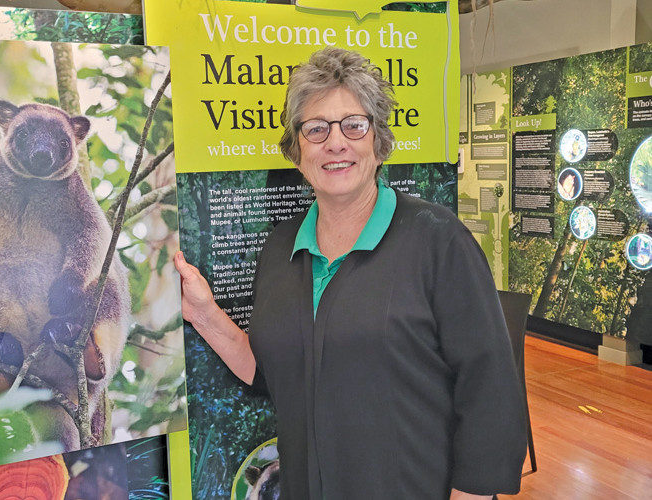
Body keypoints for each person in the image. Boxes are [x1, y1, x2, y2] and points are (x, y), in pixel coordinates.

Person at [174, 47, 527, 500]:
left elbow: (490, 387)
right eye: (316, 129)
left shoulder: (438, 241)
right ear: (297, 151)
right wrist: (203, 313)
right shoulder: (282, 248)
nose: (335, 143)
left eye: (353, 125)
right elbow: (273, 372)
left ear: (378, 143)